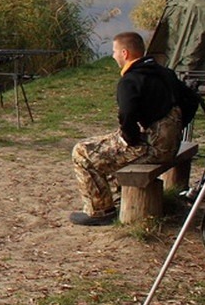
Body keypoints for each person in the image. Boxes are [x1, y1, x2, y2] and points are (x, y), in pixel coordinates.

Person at [69, 31, 183, 226]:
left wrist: (131, 139)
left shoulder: (130, 81)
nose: (113, 56)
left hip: (154, 150)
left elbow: (127, 116)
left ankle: (100, 211)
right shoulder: (164, 72)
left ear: (125, 53)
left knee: (81, 152)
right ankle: (116, 197)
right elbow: (188, 100)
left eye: (114, 51)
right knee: (107, 142)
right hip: (170, 145)